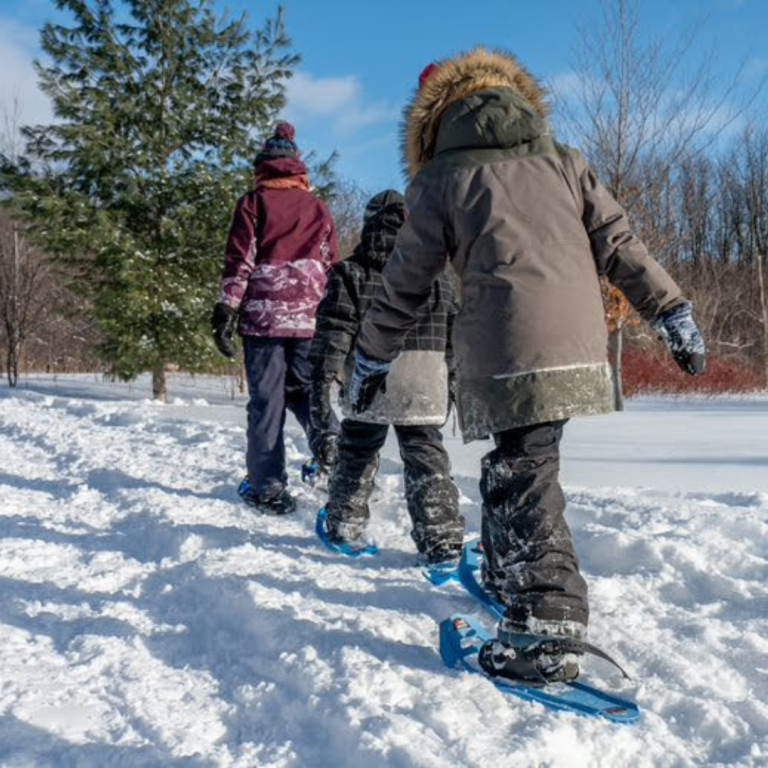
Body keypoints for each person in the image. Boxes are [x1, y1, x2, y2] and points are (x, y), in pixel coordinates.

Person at [347, 50, 705, 683]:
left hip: (510, 344)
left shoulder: (441, 179)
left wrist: (372, 353)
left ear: (431, 122)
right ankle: (504, 570)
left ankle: (545, 629)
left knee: (523, 470)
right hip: (575, 341)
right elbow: (619, 243)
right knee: (521, 462)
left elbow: (405, 280)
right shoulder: (564, 161)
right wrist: (671, 310)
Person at [309, 190, 465, 564]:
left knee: (358, 448)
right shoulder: (437, 278)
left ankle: (345, 523)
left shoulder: (351, 273)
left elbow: (334, 332)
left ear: (368, 226)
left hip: (369, 375)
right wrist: (455, 383)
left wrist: (323, 377)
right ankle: (441, 538)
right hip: (425, 378)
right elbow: (454, 336)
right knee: (426, 455)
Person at [211, 122, 338, 515]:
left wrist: (226, 308)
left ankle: (267, 486)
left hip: (264, 319)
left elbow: (241, 259)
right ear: (297, 168)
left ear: (263, 166)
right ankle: (338, 455)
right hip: (308, 319)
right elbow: (329, 263)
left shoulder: (253, 203)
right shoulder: (318, 208)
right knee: (306, 393)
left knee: (268, 401)